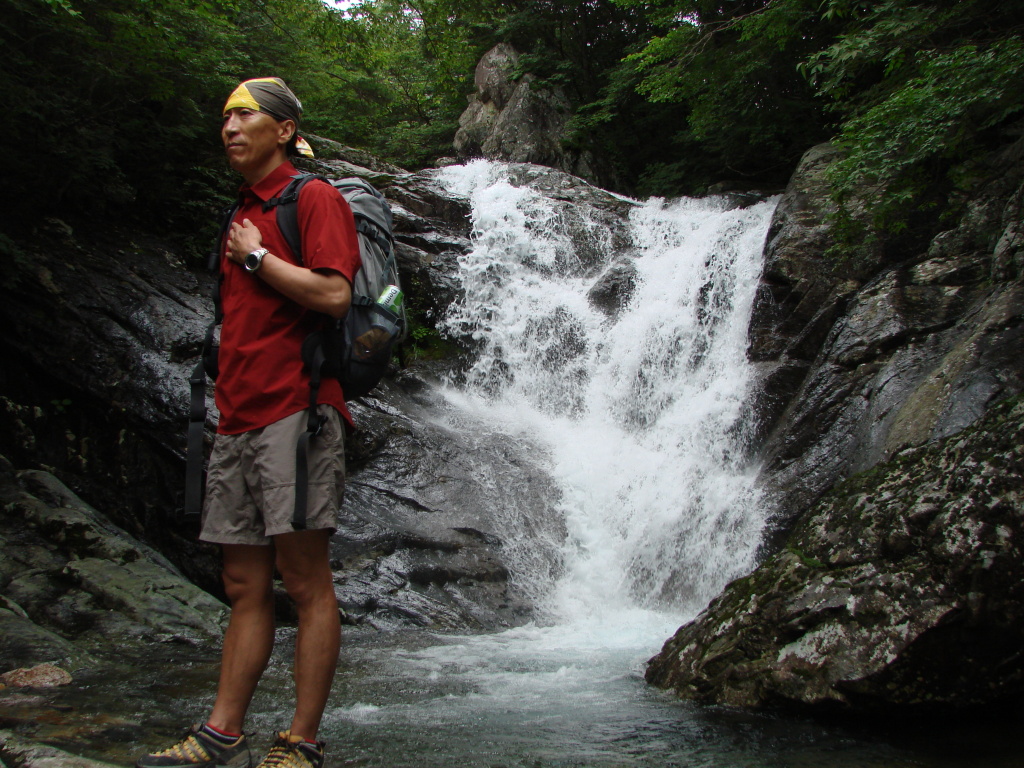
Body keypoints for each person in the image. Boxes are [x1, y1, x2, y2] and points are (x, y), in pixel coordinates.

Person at [136, 78, 361, 768]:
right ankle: (220, 734)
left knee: (305, 580)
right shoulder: (239, 210)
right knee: (242, 585)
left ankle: (301, 741)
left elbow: (333, 294)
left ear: (286, 130)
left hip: (297, 412)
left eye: (245, 116)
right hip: (236, 417)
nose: (230, 128)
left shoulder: (311, 198)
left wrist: (257, 257)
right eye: (225, 118)